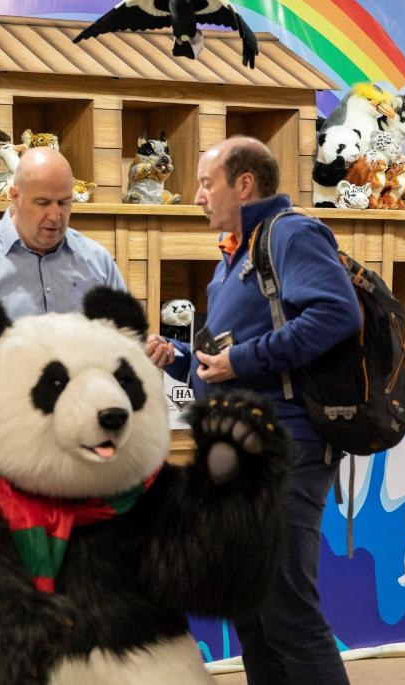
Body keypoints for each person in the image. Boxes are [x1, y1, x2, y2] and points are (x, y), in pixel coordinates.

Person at [154, 136, 359, 685]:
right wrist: (180, 359)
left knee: (287, 608)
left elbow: (337, 315)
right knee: (252, 613)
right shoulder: (235, 253)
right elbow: (228, 358)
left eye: (205, 182)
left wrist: (239, 361)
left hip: (286, 450)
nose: (196, 195)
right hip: (239, 456)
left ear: (244, 185)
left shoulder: (290, 233)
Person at [0, 146, 127, 372]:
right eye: (42, 203)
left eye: (64, 202)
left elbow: (126, 337)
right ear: (15, 196)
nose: (55, 216)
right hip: (3, 403)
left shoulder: (97, 260)